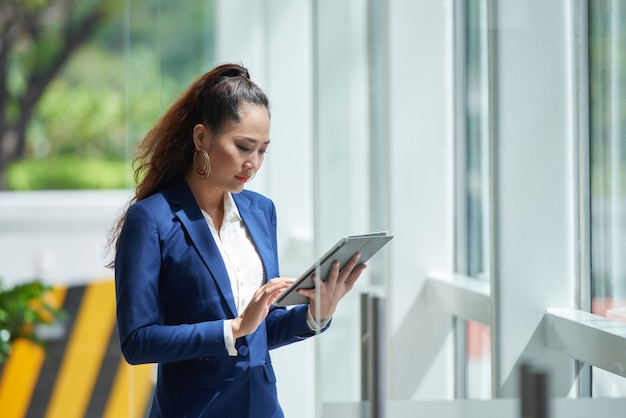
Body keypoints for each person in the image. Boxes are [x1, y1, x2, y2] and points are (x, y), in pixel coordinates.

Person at [109, 63, 367, 418]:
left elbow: (259, 330)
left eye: (262, 150)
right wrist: (232, 328)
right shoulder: (151, 219)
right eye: (244, 147)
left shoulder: (261, 212)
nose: (253, 163)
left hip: (262, 406)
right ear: (201, 138)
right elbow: (137, 342)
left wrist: (314, 315)